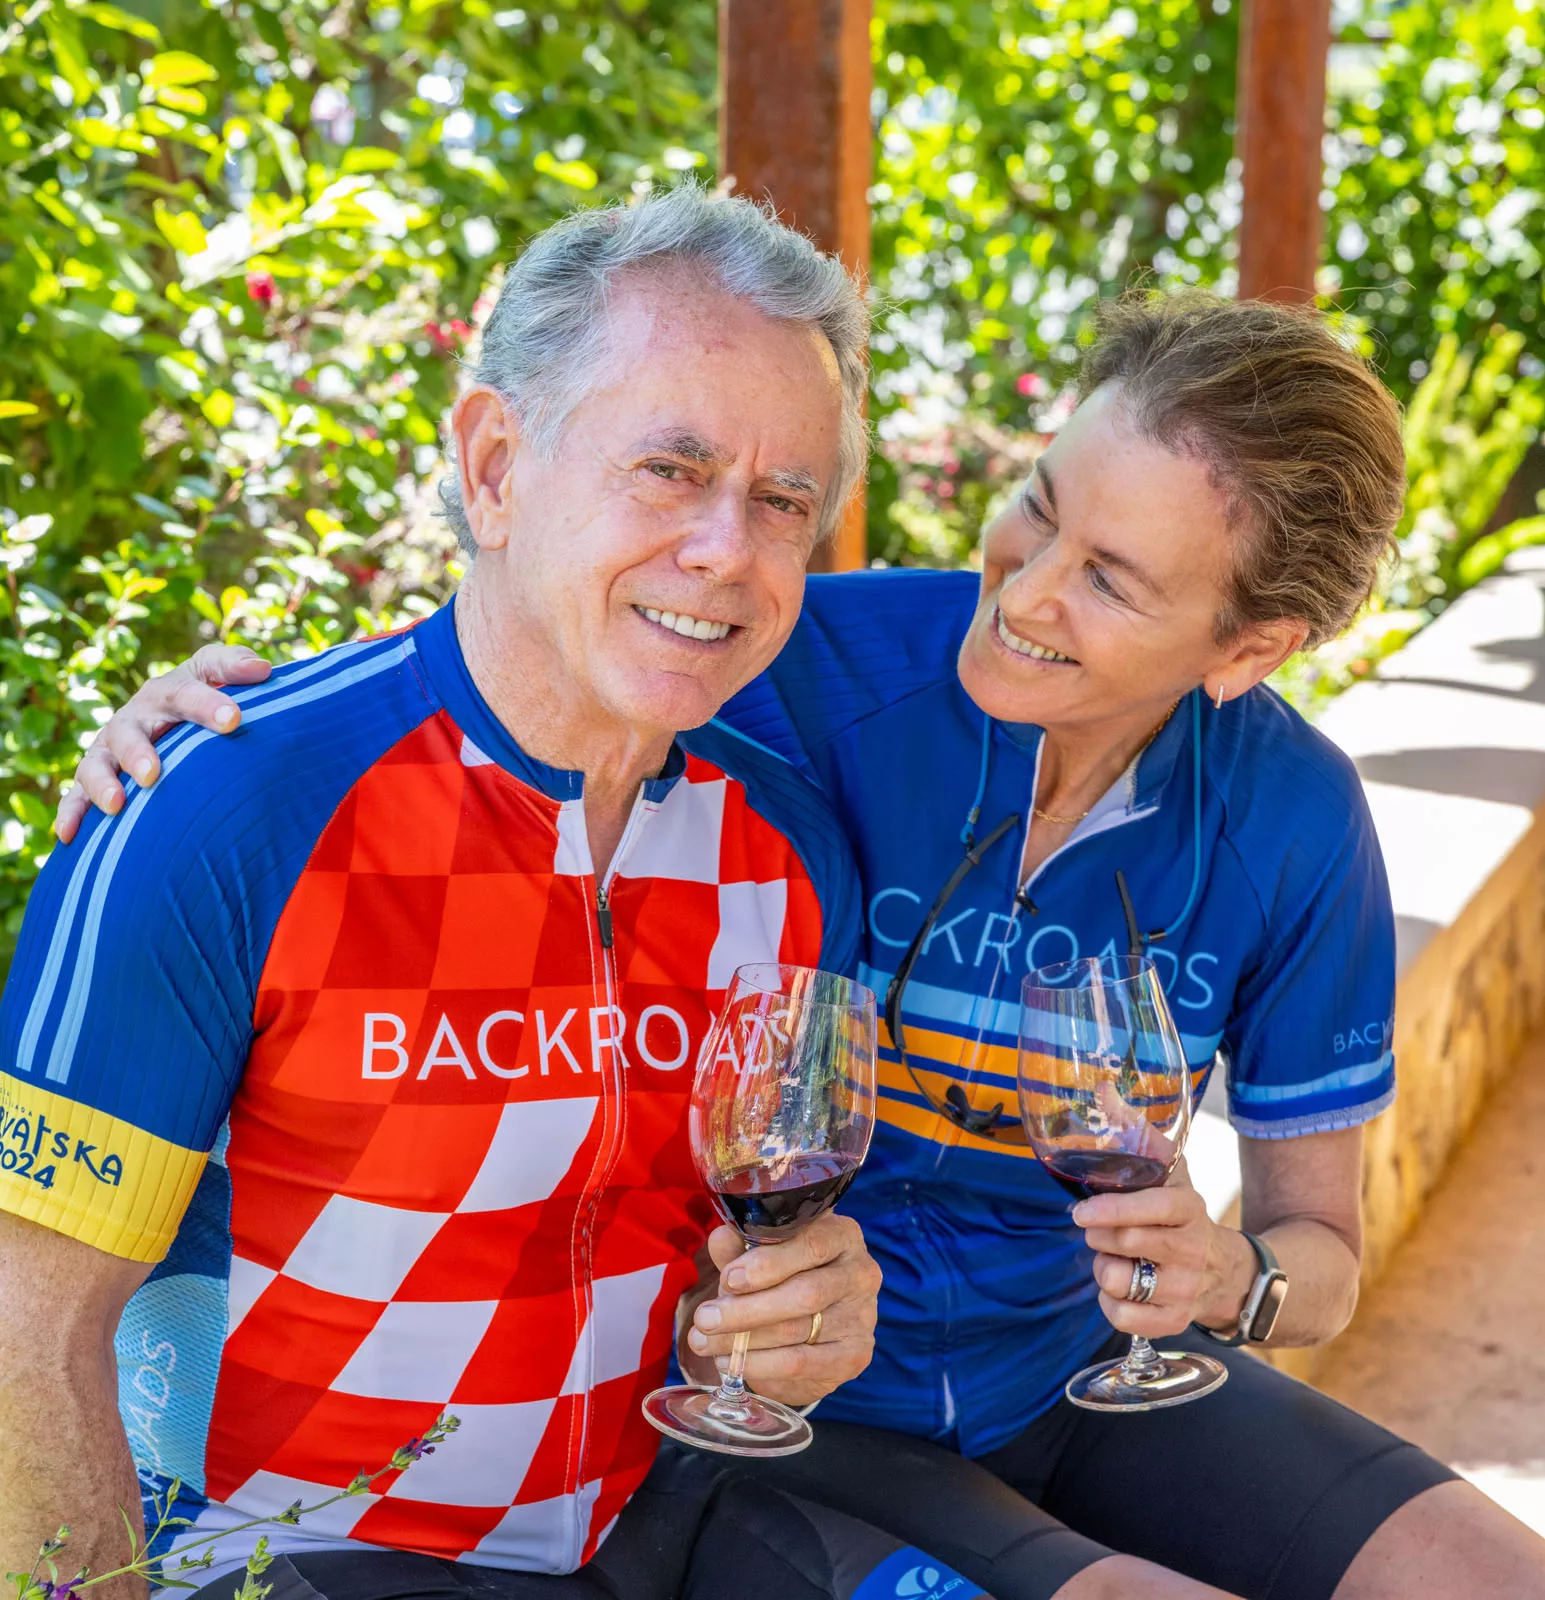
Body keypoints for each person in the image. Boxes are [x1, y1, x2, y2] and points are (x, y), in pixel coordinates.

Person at [57, 290, 1545, 1597]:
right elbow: (528, 665)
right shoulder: (800, 659)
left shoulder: (1293, 817)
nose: (1025, 590)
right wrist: (214, 728)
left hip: (1074, 1363)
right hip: (804, 1398)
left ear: (1247, 650)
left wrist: (1230, 1279)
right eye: (1039, 506)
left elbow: (1320, 1258)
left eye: (1111, 577)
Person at [0, 190, 997, 1600]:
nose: (728, 547)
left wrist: (797, 1310)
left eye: (784, 501)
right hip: (292, 1548)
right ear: (495, 466)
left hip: (656, 1519)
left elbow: (727, 1255)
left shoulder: (788, 846)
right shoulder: (225, 809)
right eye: (669, 468)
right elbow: (26, 1338)